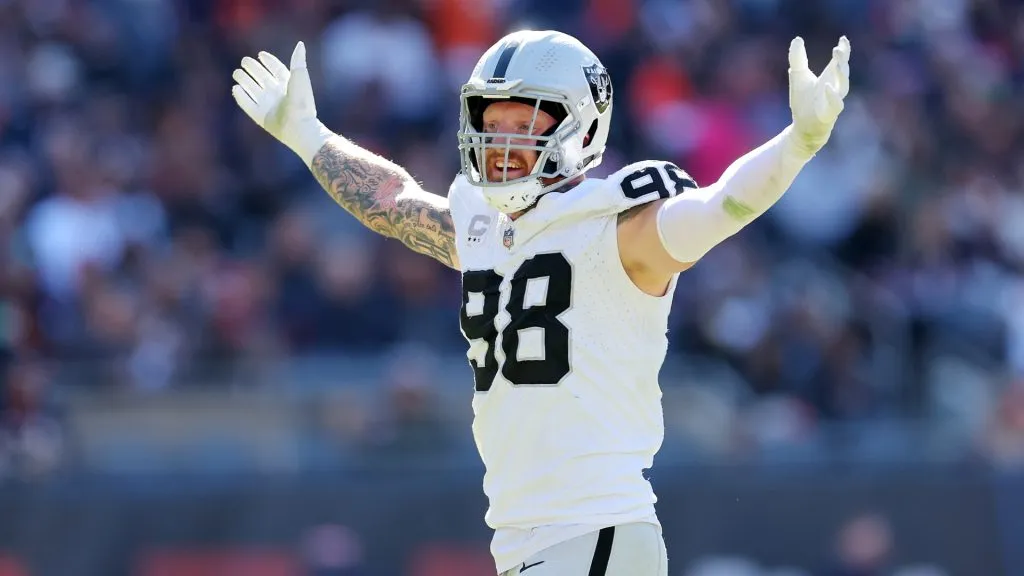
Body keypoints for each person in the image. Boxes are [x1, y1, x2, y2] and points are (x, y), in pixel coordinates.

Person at [231, 29, 851, 576]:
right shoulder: (484, 228)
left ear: (581, 128)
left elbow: (720, 207)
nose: (500, 142)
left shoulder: (615, 225)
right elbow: (394, 204)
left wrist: (799, 141)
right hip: (535, 537)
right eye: (490, 121)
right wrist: (307, 135)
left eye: (523, 124)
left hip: (593, 528)